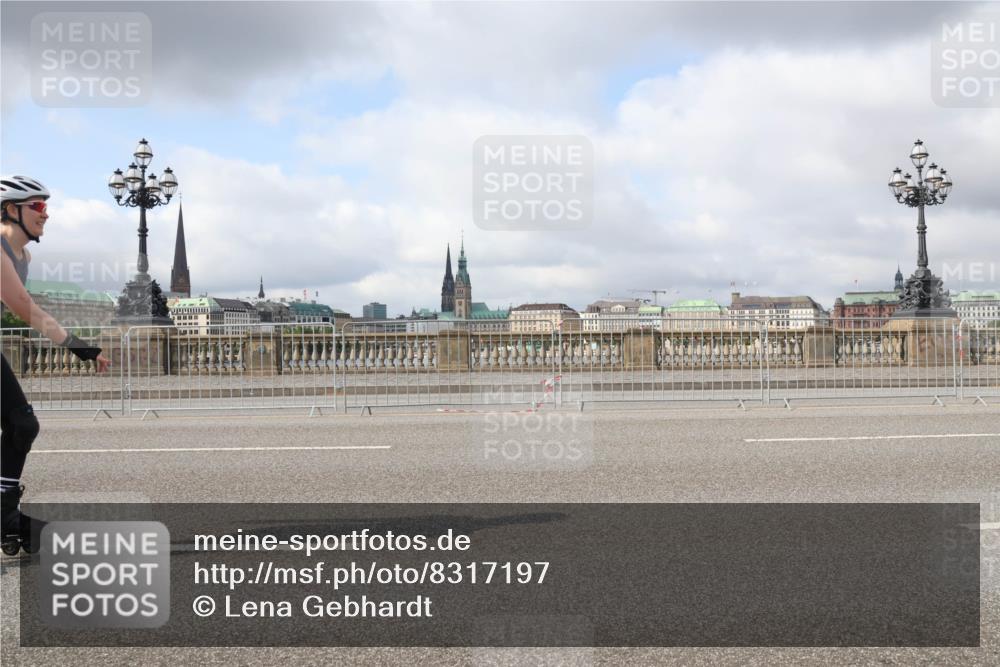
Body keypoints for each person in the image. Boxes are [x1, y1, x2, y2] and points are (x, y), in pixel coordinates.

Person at [1, 175, 111, 554]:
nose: (46, 215)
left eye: (47, 207)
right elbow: (24, 309)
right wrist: (81, 347)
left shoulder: (23, 256)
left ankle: (4, 515)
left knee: (21, 425)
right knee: (21, 423)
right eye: (39, 206)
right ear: (11, 210)